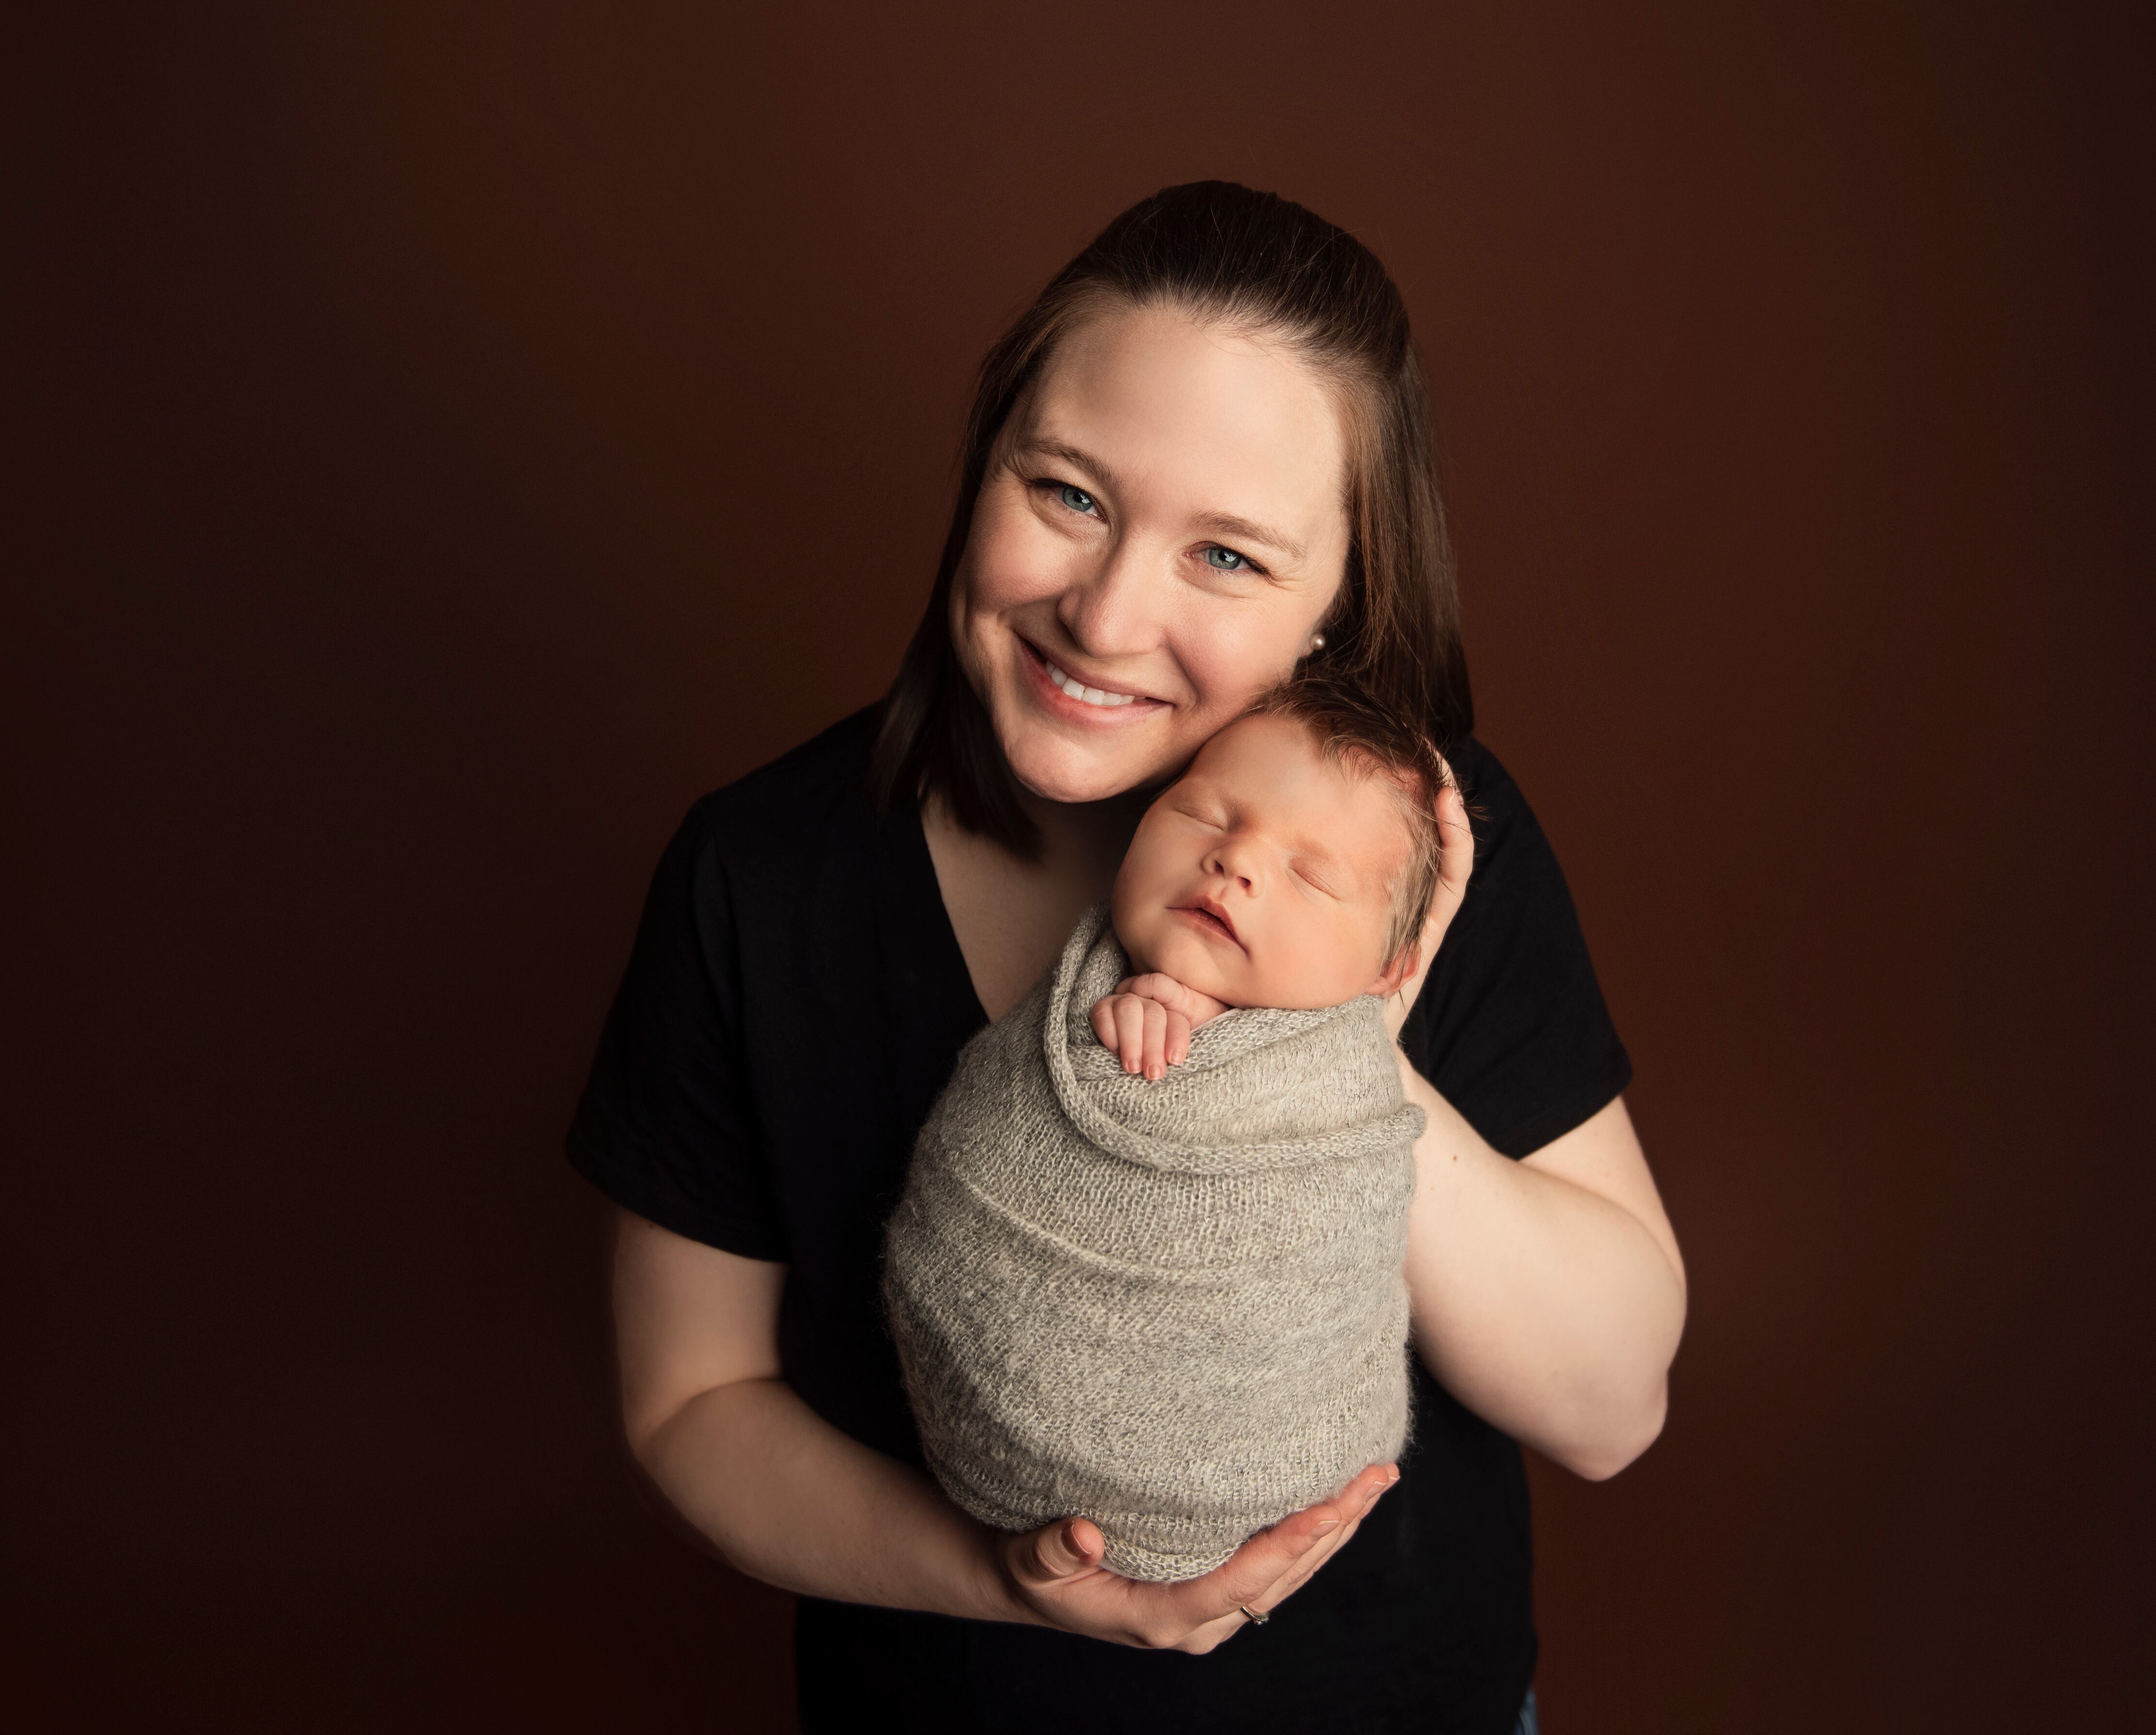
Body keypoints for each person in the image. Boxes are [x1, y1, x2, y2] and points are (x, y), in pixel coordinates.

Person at [569, 180, 1688, 1735]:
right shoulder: (759, 874)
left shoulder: (1423, 845)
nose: (1104, 614)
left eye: (1229, 557)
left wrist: (1345, 1049)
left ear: (1335, 606)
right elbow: (688, 1403)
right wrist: (999, 1574)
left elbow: (1611, 1406)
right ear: (983, 470)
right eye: (1069, 494)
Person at [886, 687, 1449, 1587]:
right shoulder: (1085, 987)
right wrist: (1131, 1025)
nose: (1235, 863)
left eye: (1310, 875)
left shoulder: (1345, 1087)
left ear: (1392, 967)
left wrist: (1216, 1068)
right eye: (1204, 815)